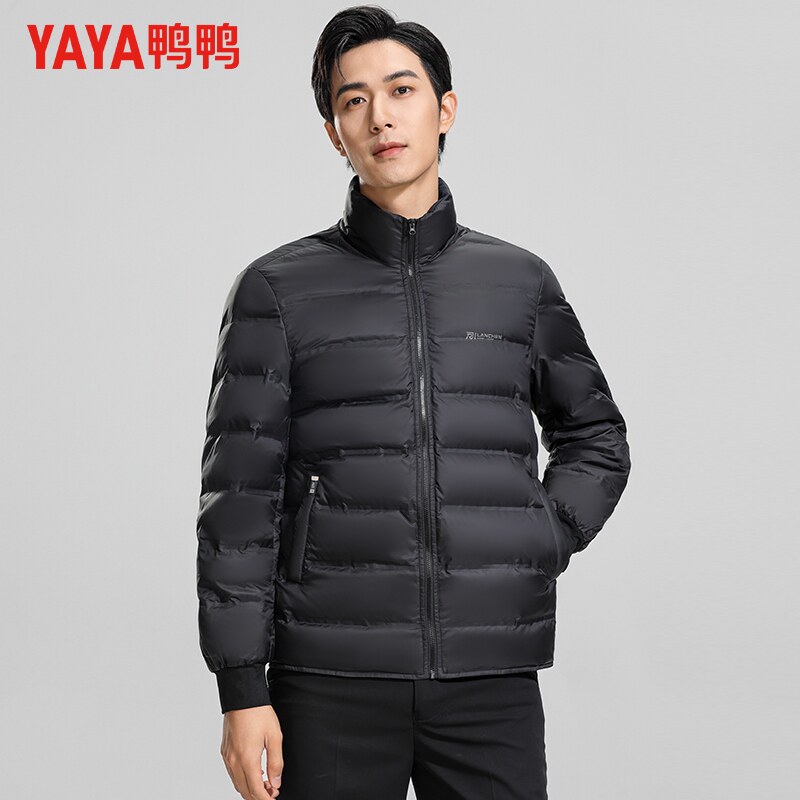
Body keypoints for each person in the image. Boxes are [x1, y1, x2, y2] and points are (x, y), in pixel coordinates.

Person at [195, 6, 631, 799]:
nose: (380, 117)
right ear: (334, 132)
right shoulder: (277, 290)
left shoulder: (519, 282)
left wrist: (538, 538)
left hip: (488, 678)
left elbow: (595, 435)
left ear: (445, 108)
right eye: (352, 100)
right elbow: (238, 503)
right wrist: (241, 688)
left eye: (401, 90)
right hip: (327, 677)